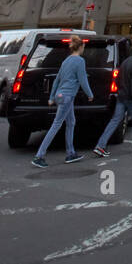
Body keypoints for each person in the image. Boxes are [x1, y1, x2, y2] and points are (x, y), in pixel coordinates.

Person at [31, 35, 94, 168]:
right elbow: (83, 80)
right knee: (57, 125)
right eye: (83, 47)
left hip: (61, 95)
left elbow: (57, 80)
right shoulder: (80, 61)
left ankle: (71, 153)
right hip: (68, 96)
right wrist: (90, 94)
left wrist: (51, 97)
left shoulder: (66, 61)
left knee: (71, 122)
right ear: (81, 47)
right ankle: (39, 155)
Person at [93, 40, 132, 156]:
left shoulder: (126, 62)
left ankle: (100, 146)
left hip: (122, 95)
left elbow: (118, 79)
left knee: (115, 120)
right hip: (131, 97)